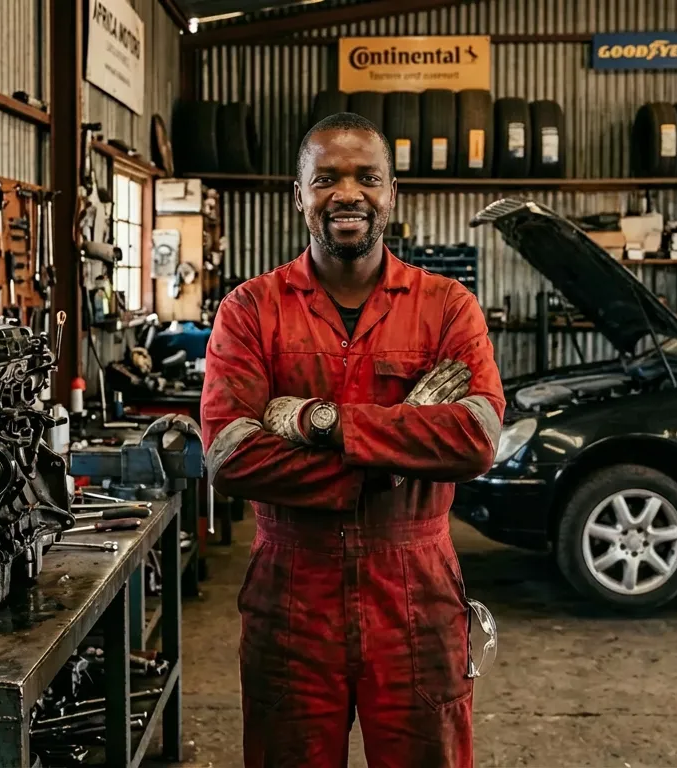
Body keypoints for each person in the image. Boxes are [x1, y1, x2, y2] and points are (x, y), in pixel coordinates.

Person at [200, 111, 505, 768]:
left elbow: (477, 439)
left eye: (367, 177)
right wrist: (395, 455)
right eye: (326, 178)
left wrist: (320, 422)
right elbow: (230, 454)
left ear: (390, 193)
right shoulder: (251, 309)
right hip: (291, 595)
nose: (347, 194)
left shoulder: (448, 307)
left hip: (417, 599)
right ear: (299, 194)